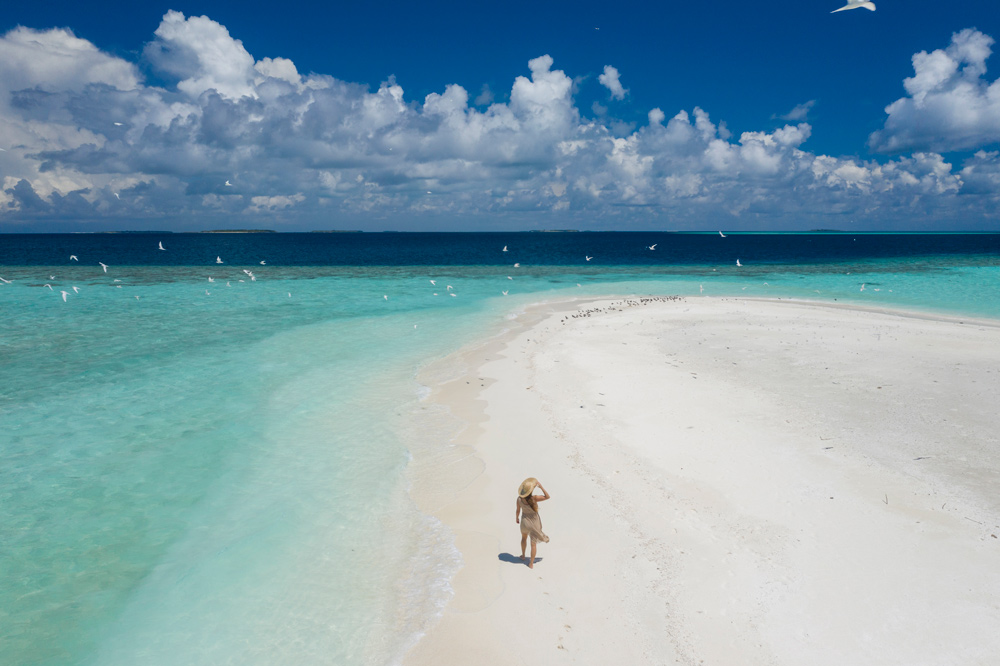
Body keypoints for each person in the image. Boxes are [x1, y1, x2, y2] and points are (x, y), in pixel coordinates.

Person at [515, 477, 550, 568]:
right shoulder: (534, 498)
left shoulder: (519, 499)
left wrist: (517, 518)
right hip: (534, 523)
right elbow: (547, 496)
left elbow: (517, 511)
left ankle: (523, 556)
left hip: (524, 522)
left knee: (523, 538)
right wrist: (541, 487)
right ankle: (531, 564)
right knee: (533, 544)